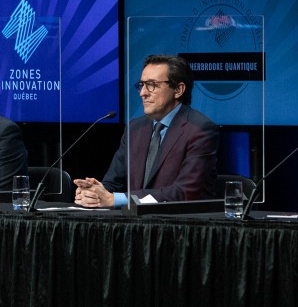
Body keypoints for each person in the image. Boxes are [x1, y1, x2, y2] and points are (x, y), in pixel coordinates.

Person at [74, 54, 219, 208]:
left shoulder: (200, 130)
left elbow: (183, 192)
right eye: (142, 85)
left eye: (152, 85)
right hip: (137, 225)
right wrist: (95, 193)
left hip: (183, 225)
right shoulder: (135, 128)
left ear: (178, 89)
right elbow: (112, 183)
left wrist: (115, 200)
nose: (143, 93)